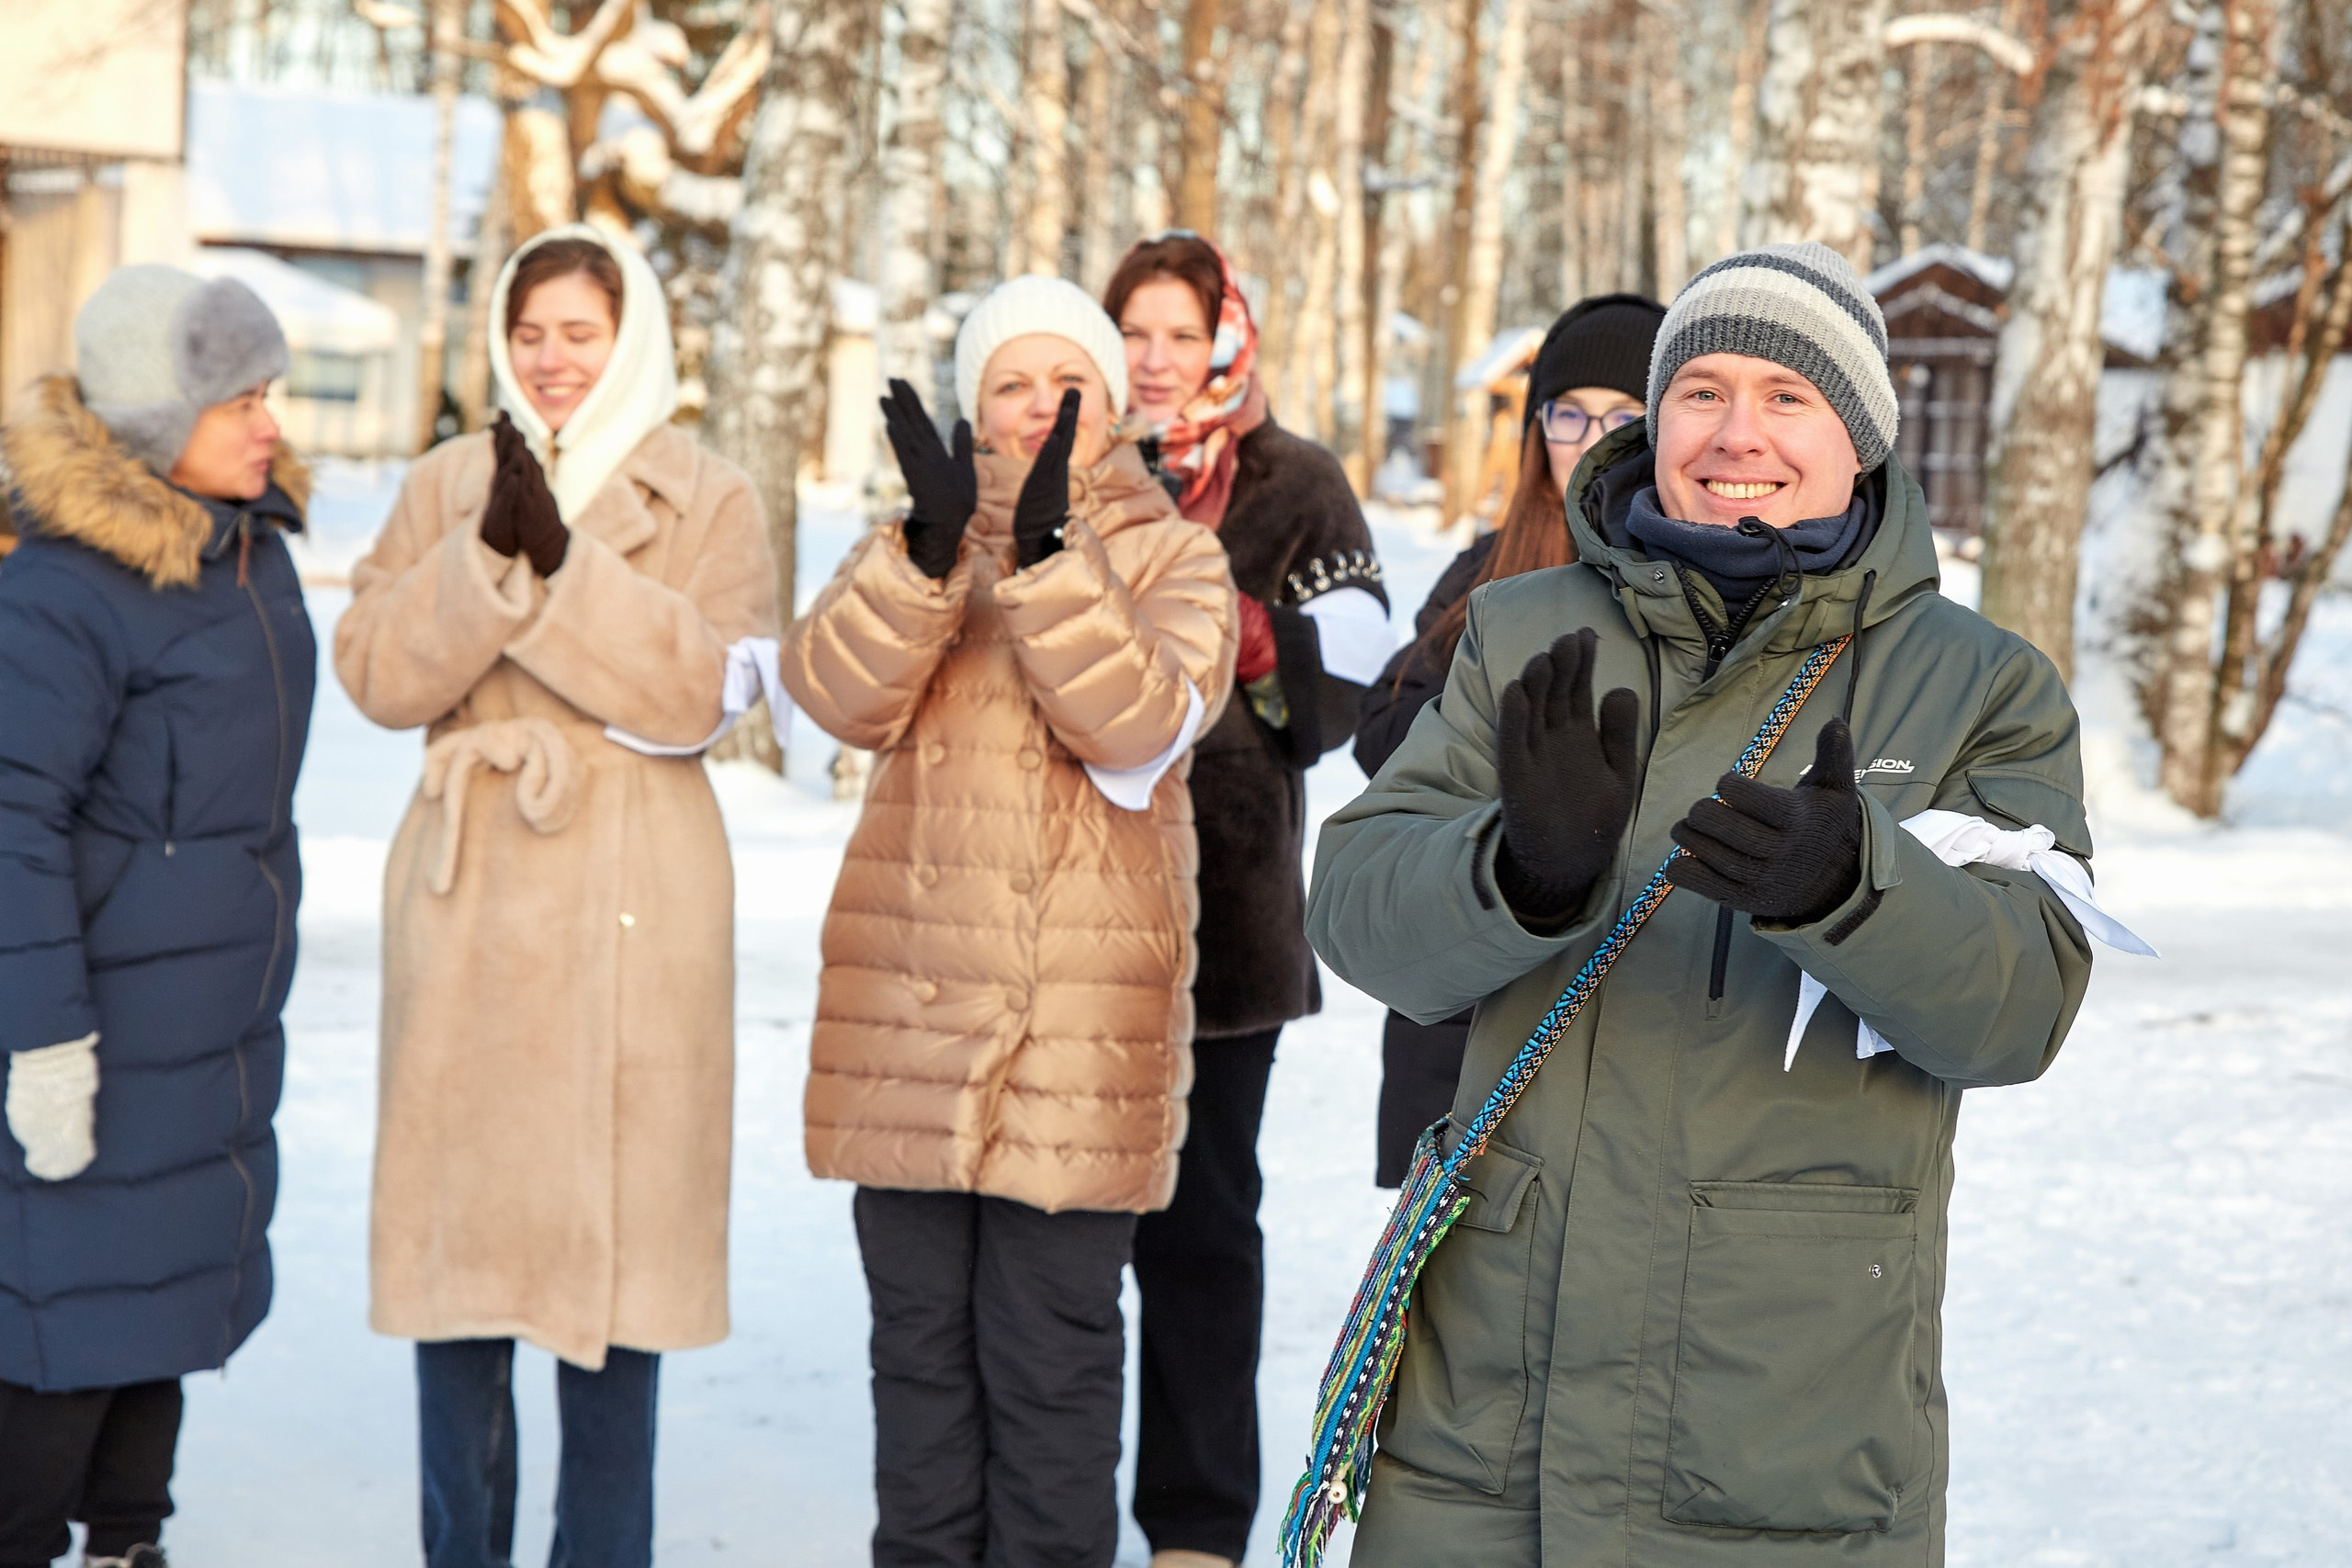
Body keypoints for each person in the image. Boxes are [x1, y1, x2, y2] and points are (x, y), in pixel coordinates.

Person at [1307, 243, 2098, 1562]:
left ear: (1860, 435)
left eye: (1791, 397)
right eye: (1703, 391)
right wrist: (1522, 871)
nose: (1739, 434)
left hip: (1783, 1424)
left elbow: (2020, 1007)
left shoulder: (1983, 688)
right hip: (1485, 1426)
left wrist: (1856, 888)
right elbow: (1357, 906)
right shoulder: (1521, 629)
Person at [335, 224, 777, 1568]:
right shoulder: (443, 481)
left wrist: (567, 575)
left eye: (580, 333)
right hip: (473, 905)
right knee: (461, 1283)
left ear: (631, 335)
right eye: (531, 335)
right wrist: (480, 566)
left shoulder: (707, 493)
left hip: (637, 914)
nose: (553, 359)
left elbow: (706, 692)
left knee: (616, 1293)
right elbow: (373, 671)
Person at [783, 274, 1237, 1568]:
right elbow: (835, 698)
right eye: (1009, 385)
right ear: (974, 409)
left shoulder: (1173, 556)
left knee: (1050, 1380)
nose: (1039, 408)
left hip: (1073, 1045)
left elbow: (1142, 721)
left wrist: (1048, 563)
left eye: (1064, 384)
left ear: (1108, 405)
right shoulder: (917, 538)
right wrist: (929, 557)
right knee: (918, 1379)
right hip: (906, 1030)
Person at [0, 266, 312, 1568]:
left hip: (207, 1050)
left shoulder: (247, 556)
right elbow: (9, 822)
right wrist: (45, 1043)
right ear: (148, 418)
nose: (271, 424)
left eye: (271, 392)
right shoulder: (62, 592)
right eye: (241, 397)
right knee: (60, 1336)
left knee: (161, 1316)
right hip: (96, 1041)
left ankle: (132, 1545)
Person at [1106, 231, 1389, 1568]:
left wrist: (1260, 640)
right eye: (1135, 335)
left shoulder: (1298, 485)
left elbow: (1361, 684)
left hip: (1226, 922)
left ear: (1226, 342)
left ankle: (1197, 1527)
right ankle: (1049, 1498)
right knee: (1064, 1236)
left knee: (1205, 1225)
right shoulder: (1067, 474)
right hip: (1071, 925)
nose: (1156, 363)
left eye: (1180, 335)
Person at [1354, 293, 1662, 1186]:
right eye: (1568, 414)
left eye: (1622, 414)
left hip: (1621, 1015)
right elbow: (1383, 734)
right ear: (1538, 434)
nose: (1591, 436)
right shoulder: (1484, 571)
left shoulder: (1690, 587)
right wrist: (1512, 738)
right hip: (1459, 1011)